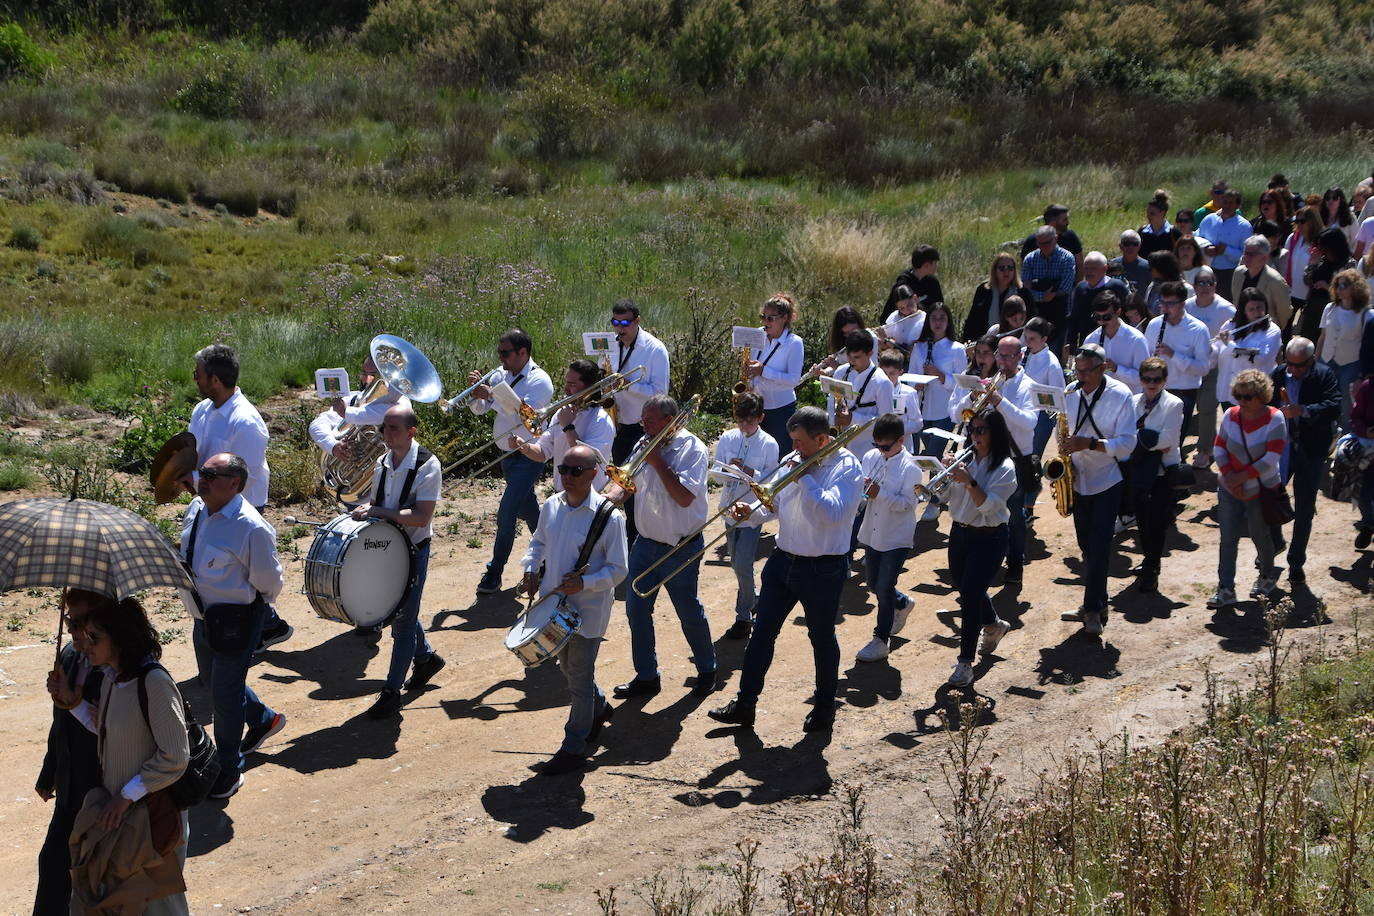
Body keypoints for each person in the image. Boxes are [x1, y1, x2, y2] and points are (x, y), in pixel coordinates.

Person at [708, 406, 864, 732]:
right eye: (791, 440)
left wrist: (805, 478)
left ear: (822, 439)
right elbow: (775, 505)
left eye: (799, 441)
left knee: (821, 639)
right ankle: (745, 704)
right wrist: (748, 512)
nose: (794, 448)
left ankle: (824, 708)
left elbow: (832, 514)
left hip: (823, 568)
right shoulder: (796, 460)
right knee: (761, 634)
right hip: (783, 561)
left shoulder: (847, 468)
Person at [50, 596, 190, 916]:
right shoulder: (114, 681)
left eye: (94, 637)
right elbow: (108, 732)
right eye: (85, 635)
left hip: (154, 816)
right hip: (125, 815)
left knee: (160, 907)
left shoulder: (154, 682)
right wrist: (72, 703)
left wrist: (126, 796)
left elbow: (175, 757)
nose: (85, 644)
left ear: (120, 638)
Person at [178, 452, 284, 800]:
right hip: (203, 617)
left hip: (237, 621)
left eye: (212, 475)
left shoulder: (250, 527)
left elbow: (270, 583)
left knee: (223, 697)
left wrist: (250, 610)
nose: (202, 479)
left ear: (235, 484)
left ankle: (229, 768)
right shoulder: (197, 509)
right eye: (202, 473)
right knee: (213, 682)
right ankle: (264, 719)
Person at [519, 444, 629, 775]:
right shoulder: (552, 505)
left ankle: (573, 746)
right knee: (567, 669)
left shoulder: (610, 518)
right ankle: (598, 708)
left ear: (594, 474)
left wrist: (586, 583)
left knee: (578, 678)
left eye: (575, 471)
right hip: (555, 608)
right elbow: (537, 542)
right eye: (563, 469)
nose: (566, 476)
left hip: (588, 610)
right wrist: (530, 566)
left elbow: (619, 569)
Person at [182, 344, 289, 652]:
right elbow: (194, 453)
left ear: (215, 379)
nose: (194, 379)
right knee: (218, 566)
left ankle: (256, 627)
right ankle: (266, 626)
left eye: (198, 375)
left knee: (241, 572)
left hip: (242, 506)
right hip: (209, 500)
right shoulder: (202, 411)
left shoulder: (246, 422)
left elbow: (241, 477)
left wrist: (196, 481)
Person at [608, 394, 716, 699]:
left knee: (688, 611)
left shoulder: (691, 448)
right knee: (636, 610)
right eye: (643, 419)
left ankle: (707, 670)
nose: (644, 425)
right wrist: (605, 501)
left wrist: (657, 462)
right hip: (645, 543)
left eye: (650, 420)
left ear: (669, 421)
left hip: (680, 546)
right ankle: (647, 676)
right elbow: (626, 484)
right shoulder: (644, 443)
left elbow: (684, 497)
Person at [351, 405, 445, 718]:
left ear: (411, 431)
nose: (385, 434)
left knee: (402, 621)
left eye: (393, 428)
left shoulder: (427, 465)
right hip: (390, 546)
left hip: (415, 549)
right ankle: (426, 658)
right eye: (384, 428)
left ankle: (392, 692)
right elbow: (379, 502)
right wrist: (365, 508)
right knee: (399, 607)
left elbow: (421, 517)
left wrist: (379, 513)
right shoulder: (382, 461)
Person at [33, 589, 106, 916]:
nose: (75, 631)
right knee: (52, 864)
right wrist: (49, 773)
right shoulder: (68, 657)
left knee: (93, 878)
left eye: (81, 623)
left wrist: (73, 701)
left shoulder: (113, 669)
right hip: (69, 787)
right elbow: (60, 724)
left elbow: (110, 732)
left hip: (102, 791)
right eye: (69, 621)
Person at [469, 328, 555, 595]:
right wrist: (475, 394)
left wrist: (491, 395)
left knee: (507, 513)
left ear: (523, 352)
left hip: (529, 454)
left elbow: (524, 417)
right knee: (529, 510)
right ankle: (551, 559)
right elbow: (479, 409)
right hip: (506, 454)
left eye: (505, 353)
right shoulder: (499, 375)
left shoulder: (540, 381)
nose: (501, 358)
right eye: (499, 353)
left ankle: (495, 572)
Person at [1059, 344, 1137, 635]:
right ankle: (1098, 601)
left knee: (1100, 547)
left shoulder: (1121, 395)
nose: (1078, 376)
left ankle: (1091, 610)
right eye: (1076, 370)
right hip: (1078, 480)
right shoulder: (1070, 393)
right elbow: (1064, 433)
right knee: (1086, 547)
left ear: (1103, 368)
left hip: (1107, 480)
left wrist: (1089, 444)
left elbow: (1128, 444)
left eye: (1084, 371)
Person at [942, 408, 1018, 687]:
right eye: (972, 430)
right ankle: (995, 624)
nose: (974, 435)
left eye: (981, 430)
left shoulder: (1005, 469)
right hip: (960, 533)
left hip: (989, 537)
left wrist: (970, 481)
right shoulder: (966, 459)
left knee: (970, 596)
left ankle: (965, 662)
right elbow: (944, 496)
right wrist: (947, 475)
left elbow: (987, 507)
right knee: (965, 587)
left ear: (994, 434)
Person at [955, 336, 1039, 583]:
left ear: (1020, 356)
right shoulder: (990, 381)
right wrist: (972, 398)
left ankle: (1015, 562)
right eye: (999, 356)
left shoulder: (1028, 386)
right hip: (984, 456)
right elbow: (958, 415)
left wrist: (999, 402)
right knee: (983, 507)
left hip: (1014, 458)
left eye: (1008, 356)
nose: (1002, 361)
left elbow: (1029, 422)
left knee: (1014, 515)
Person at [1208, 368, 1286, 608]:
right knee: (1228, 538)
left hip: (1260, 489)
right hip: (1230, 488)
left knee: (1260, 536)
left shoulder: (1275, 418)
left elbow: (1271, 458)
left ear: (1262, 396)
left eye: (1248, 397)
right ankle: (1226, 588)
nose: (1241, 401)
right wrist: (1230, 477)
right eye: (1238, 396)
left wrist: (1240, 478)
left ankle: (1266, 574)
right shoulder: (1231, 415)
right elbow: (1219, 447)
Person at [1269, 337, 1340, 584]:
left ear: (1311, 360)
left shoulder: (1324, 375)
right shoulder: (1279, 374)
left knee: (1305, 508)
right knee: (1270, 497)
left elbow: (1334, 406)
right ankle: (1275, 541)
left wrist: (1303, 410)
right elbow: (1265, 404)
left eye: (1300, 365)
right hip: (1281, 447)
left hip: (1311, 449)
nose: (1294, 370)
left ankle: (1296, 561)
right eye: (1290, 364)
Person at [854, 413, 922, 663]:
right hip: (873, 531)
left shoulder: (911, 468)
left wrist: (878, 493)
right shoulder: (871, 457)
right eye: (876, 445)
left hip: (896, 537)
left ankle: (881, 639)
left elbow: (908, 504)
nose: (880, 450)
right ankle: (902, 602)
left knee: (883, 588)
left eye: (885, 446)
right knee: (873, 584)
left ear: (901, 440)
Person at [712, 392, 779, 641]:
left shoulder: (769, 443)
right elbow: (717, 474)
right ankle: (753, 598)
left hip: (751, 511)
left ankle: (743, 616)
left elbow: (771, 482)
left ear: (760, 418)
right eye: (740, 420)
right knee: (735, 563)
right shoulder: (728, 438)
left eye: (749, 421)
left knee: (742, 563)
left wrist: (749, 471)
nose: (744, 426)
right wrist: (729, 468)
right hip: (729, 508)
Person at [607, 298, 672, 545]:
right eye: (616, 322)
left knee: (640, 489)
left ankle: (641, 537)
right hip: (619, 425)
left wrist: (626, 384)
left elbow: (660, 392)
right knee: (624, 487)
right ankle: (633, 535)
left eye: (625, 323)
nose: (620, 328)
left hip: (643, 428)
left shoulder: (655, 349)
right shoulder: (614, 346)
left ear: (637, 321)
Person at [307, 350, 413, 495]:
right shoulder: (353, 399)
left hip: (392, 485)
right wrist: (333, 446)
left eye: (373, 376)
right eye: (364, 373)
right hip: (357, 488)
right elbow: (317, 424)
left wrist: (348, 413)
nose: (366, 380)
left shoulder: (400, 401)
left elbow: (391, 414)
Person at [1207, 289, 1284, 472]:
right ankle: (1234, 472)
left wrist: (1230, 344)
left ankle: (1252, 474)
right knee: (1235, 436)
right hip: (1228, 389)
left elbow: (1261, 357)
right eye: (1251, 308)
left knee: (1252, 439)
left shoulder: (1272, 330)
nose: (1257, 312)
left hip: (1254, 394)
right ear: (1243, 310)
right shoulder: (1230, 325)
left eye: (1260, 307)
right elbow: (1216, 355)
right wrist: (1208, 348)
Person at [513, 358, 616, 494]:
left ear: (589, 388)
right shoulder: (561, 414)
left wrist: (568, 427)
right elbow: (543, 452)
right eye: (566, 382)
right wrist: (524, 447)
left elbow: (587, 462)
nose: (566, 389)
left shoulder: (601, 421)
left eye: (572, 384)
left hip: (588, 496)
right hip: (561, 493)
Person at [1127, 358, 1184, 593]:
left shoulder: (1174, 403)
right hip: (1140, 469)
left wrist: (1141, 439)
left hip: (1162, 472)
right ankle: (1149, 560)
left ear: (1165, 380)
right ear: (1140, 379)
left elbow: (1168, 441)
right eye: (1147, 379)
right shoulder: (1132, 401)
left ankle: (1152, 566)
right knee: (1141, 519)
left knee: (1157, 522)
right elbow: (1130, 434)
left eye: (1157, 379)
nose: (1152, 383)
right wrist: (1148, 439)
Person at [1143, 280, 1211, 434]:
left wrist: (1173, 355)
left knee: (1175, 439)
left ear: (1182, 304)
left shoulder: (1198, 329)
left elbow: (1203, 368)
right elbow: (1146, 358)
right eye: (1162, 303)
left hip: (1184, 391)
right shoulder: (1154, 325)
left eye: (1170, 304)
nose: (1165, 308)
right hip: (1156, 389)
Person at [1186, 266, 1236, 467]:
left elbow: (1235, 337)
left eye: (1209, 283)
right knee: (1188, 407)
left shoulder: (1227, 310)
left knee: (1207, 407)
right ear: (1194, 286)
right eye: (1201, 283)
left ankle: (1205, 449)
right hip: (1190, 364)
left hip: (1216, 365)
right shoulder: (1187, 307)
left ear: (1215, 285)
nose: (1205, 287)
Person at [1317, 269, 1374, 427]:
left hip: (1350, 364)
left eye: (1345, 285)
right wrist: (1316, 361)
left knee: (1347, 402)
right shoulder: (1329, 308)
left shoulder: (1367, 315)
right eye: (1337, 285)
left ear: (1356, 287)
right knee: (1324, 397)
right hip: (1326, 361)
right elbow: (1323, 337)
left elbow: (1367, 346)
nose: (1340, 288)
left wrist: (1361, 376)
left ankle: (1347, 432)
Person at [749, 292, 805, 448]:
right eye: (763, 316)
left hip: (780, 409)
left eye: (770, 318)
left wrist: (764, 371)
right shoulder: (758, 334)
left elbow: (793, 380)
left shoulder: (794, 343)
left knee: (781, 453)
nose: (765, 322)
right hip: (757, 406)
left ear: (784, 318)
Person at [910, 303, 965, 458]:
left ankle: (936, 482)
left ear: (948, 322)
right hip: (922, 410)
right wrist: (916, 385)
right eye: (934, 318)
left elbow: (961, 385)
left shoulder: (957, 349)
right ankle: (937, 481)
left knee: (934, 454)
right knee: (933, 457)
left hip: (944, 411)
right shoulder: (919, 347)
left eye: (942, 318)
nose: (938, 322)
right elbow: (909, 376)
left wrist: (940, 375)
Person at [830, 329, 895, 461]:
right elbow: (832, 401)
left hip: (867, 451)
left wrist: (853, 419)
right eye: (849, 356)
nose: (852, 361)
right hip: (841, 449)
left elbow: (886, 423)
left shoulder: (882, 382)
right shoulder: (841, 372)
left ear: (870, 353)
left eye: (857, 357)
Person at [1083, 290, 1151, 394]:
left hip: (1128, 402)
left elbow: (1144, 377)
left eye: (1106, 317)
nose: (1101, 322)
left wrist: (1116, 369)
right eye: (1097, 317)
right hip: (1100, 400)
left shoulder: (1136, 339)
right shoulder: (1091, 339)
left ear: (1118, 312)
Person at [1300, 226, 1357, 343]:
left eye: (1324, 247)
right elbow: (1307, 280)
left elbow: (1350, 289)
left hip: (1335, 308)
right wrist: (1312, 264)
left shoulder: (1349, 264)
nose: (1321, 250)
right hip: (1314, 308)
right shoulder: (1321, 260)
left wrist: (1327, 287)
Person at [1022, 317, 1066, 463]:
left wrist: (1033, 394)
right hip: (1021, 412)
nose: (1027, 342)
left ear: (1044, 339)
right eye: (1026, 337)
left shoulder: (1051, 363)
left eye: (1032, 339)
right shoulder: (1021, 353)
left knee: (1031, 460)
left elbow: (1059, 400)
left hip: (1041, 419)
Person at [1229, 235, 1294, 332]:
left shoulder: (1275, 280)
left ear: (1265, 257)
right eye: (1245, 253)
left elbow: (1284, 311)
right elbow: (1236, 301)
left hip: (1264, 331)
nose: (1246, 257)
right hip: (1241, 329)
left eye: (1251, 254)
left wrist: (1274, 329)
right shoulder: (1238, 273)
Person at [1068, 252, 1129, 351]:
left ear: (1104, 269)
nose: (1088, 272)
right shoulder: (1080, 288)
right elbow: (1074, 317)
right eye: (1086, 268)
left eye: (1093, 269)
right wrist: (1072, 342)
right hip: (1088, 342)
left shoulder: (1117, 287)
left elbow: (1128, 313)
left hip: (1114, 341)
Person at [966, 252, 1031, 342]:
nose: (1006, 271)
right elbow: (973, 318)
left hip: (1016, 342)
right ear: (994, 270)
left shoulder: (1022, 291)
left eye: (1010, 268)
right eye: (1002, 268)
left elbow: (1031, 318)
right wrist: (968, 340)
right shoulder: (983, 290)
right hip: (987, 340)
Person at [1021, 225, 1076, 332]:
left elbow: (1065, 288)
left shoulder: (1067, 258)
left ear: (1055, 238)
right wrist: (1044, 295)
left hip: (1060, 313)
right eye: (1040, 243)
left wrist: (1036, 285)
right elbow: (1025, 288)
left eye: (1047, 243)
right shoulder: (1030, 259)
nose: (1044, 246)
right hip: (1035, 313)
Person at [1199, 188, 1253, 295]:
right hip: (1206, 270)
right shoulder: (1208, 220)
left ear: (1238, 205)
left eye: (1231, 203)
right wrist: (1205, 248)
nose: (1227, 205)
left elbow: (1246, 255)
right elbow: (1196, 239)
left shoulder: (1244, 226)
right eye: (1225, 202)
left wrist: (1226, 250)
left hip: (1230, 273)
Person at [1019, 203, 1084, 275]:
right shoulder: (1032, 241)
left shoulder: (1071, 238)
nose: (1068, 223)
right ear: (1053, 223)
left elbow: (1080, 265)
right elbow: (1024, 268)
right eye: (1064, 220)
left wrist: (1078, 285)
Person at [878, 347, 922, 453]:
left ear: (900, 372)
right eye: (884, 373)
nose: (887, 378)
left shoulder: (909, 393)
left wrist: (896, 432)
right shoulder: (875, 390)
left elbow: (917, 423)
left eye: (892, 373)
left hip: (903, 449)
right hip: (878, 448)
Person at [882, 245, 943, 320]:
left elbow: (940, 309)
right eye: (935, 263)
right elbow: (887, 315)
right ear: (926, 265)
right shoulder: (903, 285)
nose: (937, 266)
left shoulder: (933, 283)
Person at [1284, 207, 1321, 327]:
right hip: (1291, 291)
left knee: (1306, 328)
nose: (1299, 224)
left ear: (1312, 221)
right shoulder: (1292, 239)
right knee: (1286, 327)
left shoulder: (1319, 241)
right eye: (1297, 221)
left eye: (1302, 221)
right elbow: (1285, 262)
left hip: (1309, 293)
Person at [1351, 375, 1374, 549]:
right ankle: (1368, 524)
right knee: (1364, 496)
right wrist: (1366, 431)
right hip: (1369, 452)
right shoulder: (1368, 387)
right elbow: (1355, 417)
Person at [877, 285, 927, 358]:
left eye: (909, 305)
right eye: (902, 308)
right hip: (893, 362)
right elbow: (884, 347)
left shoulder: (924, 320)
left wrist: (887, 341)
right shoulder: (895, 317)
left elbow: (910, 353)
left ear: (915, 298)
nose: (907, 311)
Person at [1108, 230, 1153, 294]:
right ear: (1120, 246)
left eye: (1135, 244)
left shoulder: (1148, 267)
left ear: (1139, 246)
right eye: (1126, 243)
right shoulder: (1112, 266)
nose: (1130, 247)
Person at [1139, 190, 1182, 257]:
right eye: (1147, 213)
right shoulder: (1142, 232)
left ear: (1162, 213)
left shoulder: (1174, 233)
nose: (1148, 216)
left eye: (1152, 213)